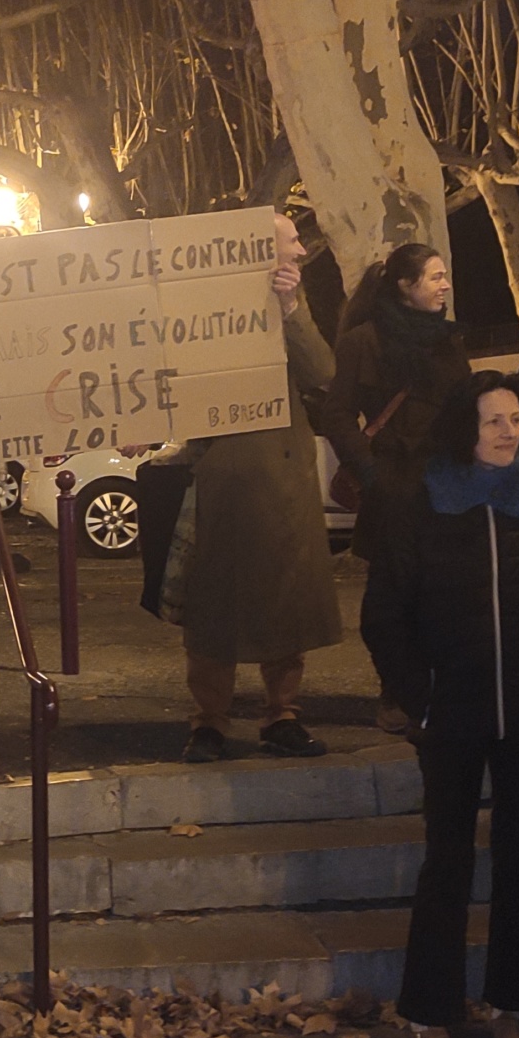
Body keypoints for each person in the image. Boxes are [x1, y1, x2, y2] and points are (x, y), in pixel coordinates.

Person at [359, 372, 519, 1038]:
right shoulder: (417, 501)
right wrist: (416, 697)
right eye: (493, 420)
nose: (508, 432)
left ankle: (512, 1009)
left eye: (515, 418)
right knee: (447, 860)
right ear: (465, 426)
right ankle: (430, 1017)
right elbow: (385, 612)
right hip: (450, 713)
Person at [166, 211, 349, 762]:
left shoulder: (291, 301)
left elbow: (322, 371)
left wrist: (292, 309)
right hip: (222, 476)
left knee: (285, 602)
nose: (298, 251)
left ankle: (282, 715)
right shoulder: (197, 307)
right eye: (290, 243)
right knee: (213, 610)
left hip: (282, 479)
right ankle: (209, 722)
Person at [321, 243, 473, 560]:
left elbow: (466, 403)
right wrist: (372, 472)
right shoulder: (363, 341)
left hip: (448, 485)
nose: (445, 285)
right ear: (405, 284)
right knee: (395, 594)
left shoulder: (449, 339)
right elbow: (337, 414)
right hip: (393, 490)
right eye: (435, 278)